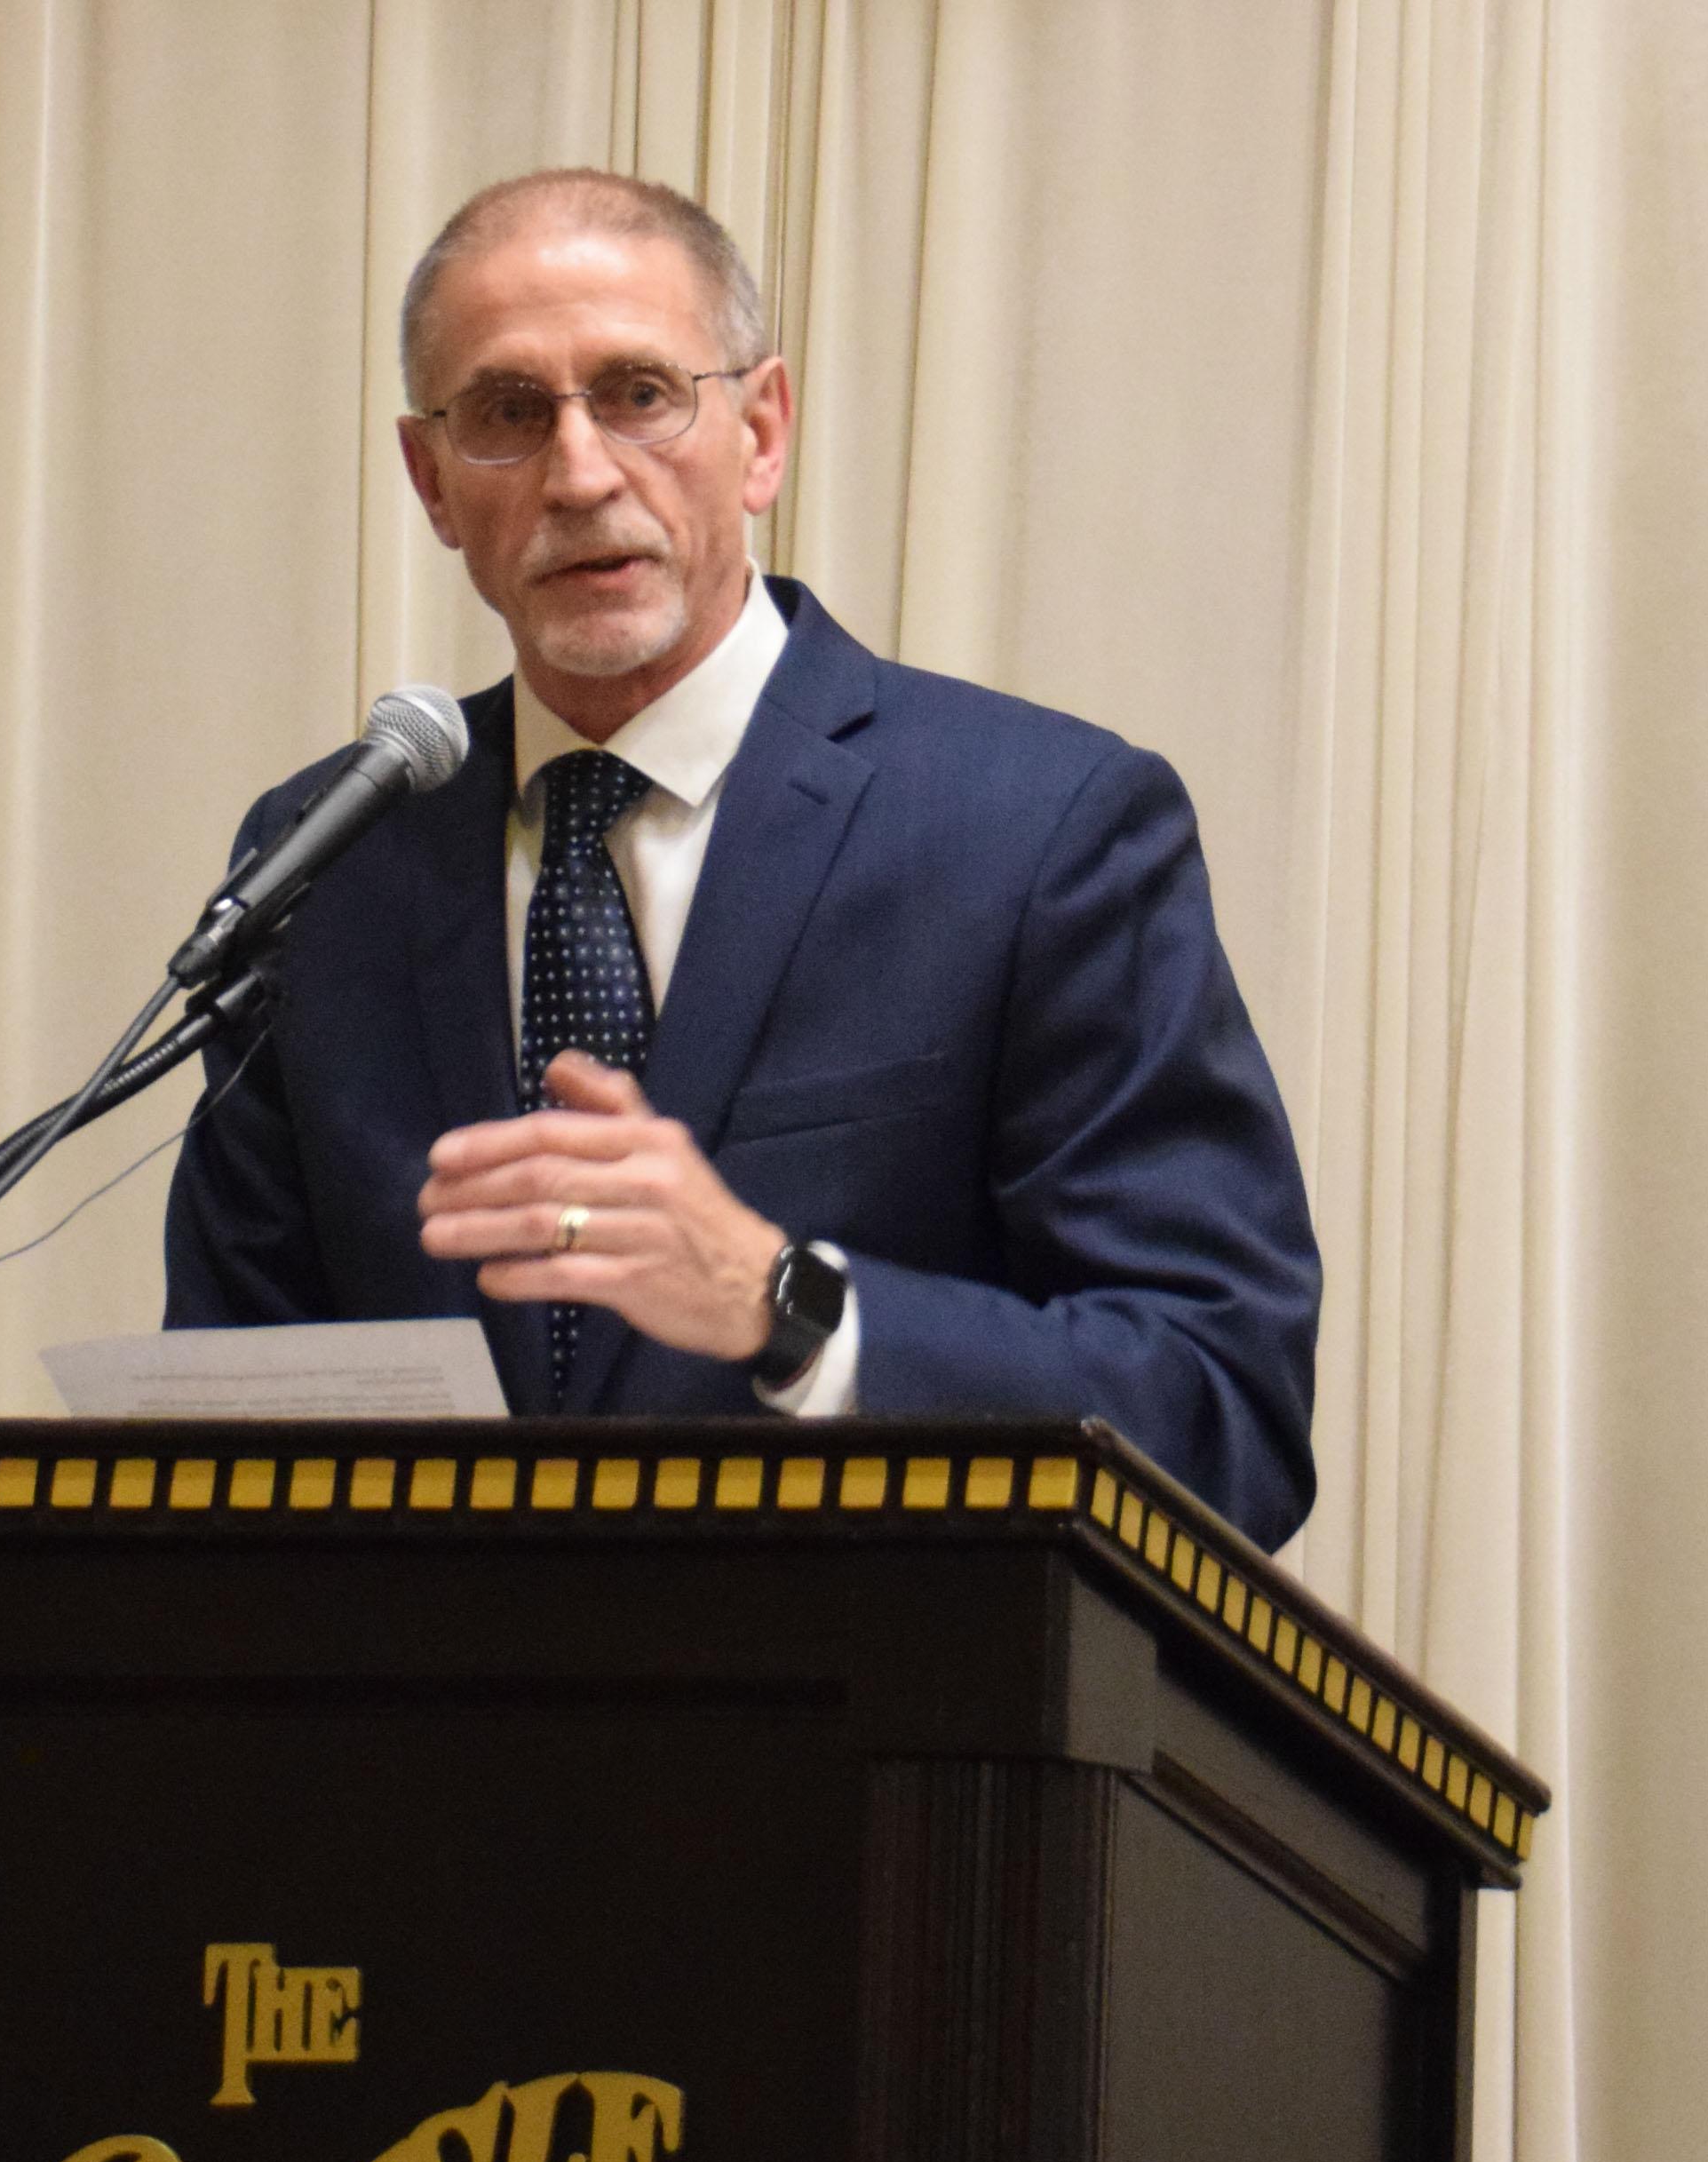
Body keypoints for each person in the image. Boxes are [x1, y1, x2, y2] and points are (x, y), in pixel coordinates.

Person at [164, 170, 1321, 1549]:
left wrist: (785, 1305)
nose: (581, 474)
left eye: (641, 394)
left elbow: (1223, 1410)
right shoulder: (328, 863)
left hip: (886, 1677)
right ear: (433, 483)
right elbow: (231, 1412)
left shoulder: (1038, 830)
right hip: (412, 1683)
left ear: (760, 434)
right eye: (510, 414)